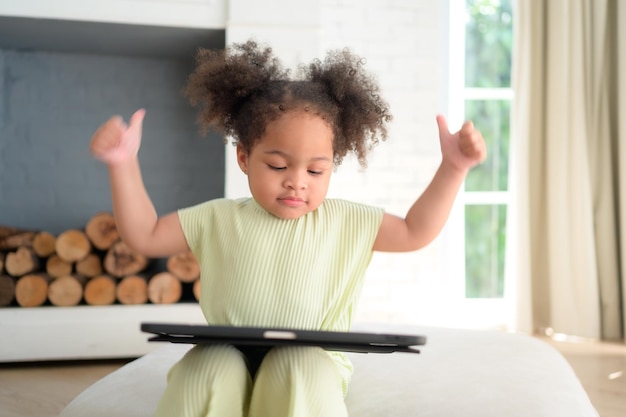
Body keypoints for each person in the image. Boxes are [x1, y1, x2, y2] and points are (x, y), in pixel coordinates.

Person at [89, 39, 486, 417]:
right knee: (205, 369)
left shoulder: (348, 221)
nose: (297, 181)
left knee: (298, 368)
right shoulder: (217, 218)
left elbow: (416, 231)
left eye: (316, 170)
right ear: (244, 157)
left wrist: (452, 169)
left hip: (311, 358)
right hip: (227, 352)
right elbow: (144, 234)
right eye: (278, 166)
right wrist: (122, 164)